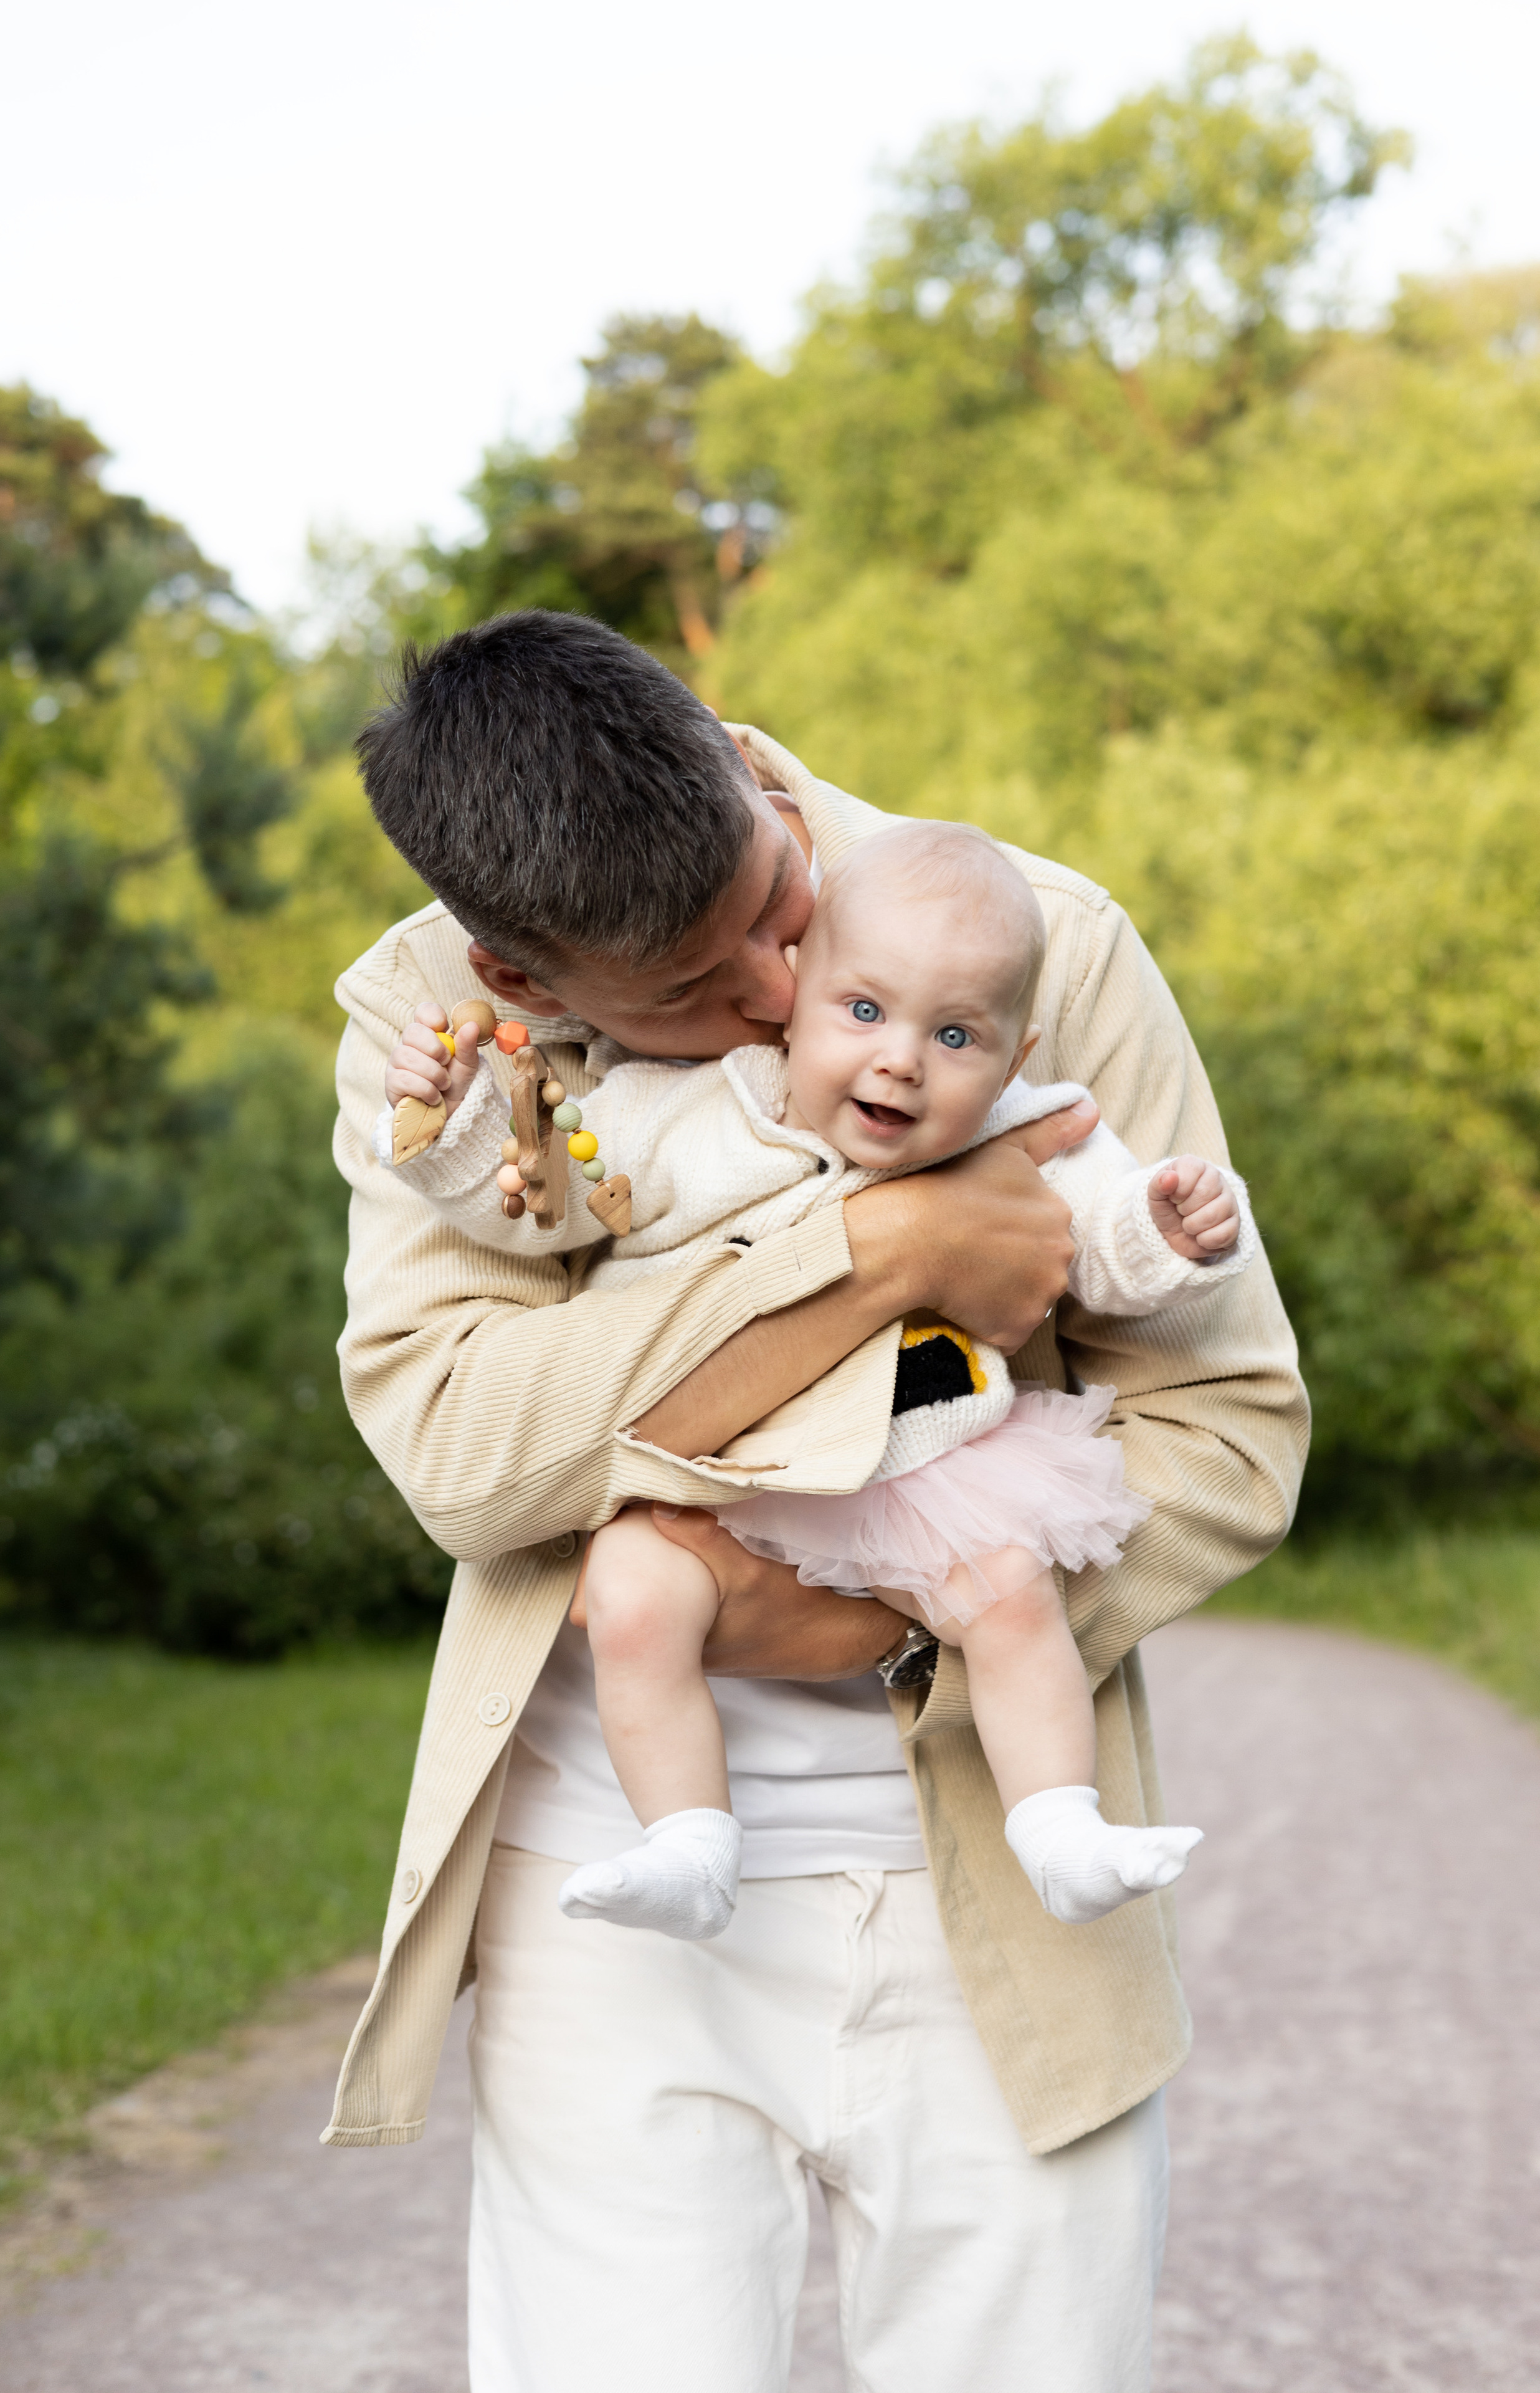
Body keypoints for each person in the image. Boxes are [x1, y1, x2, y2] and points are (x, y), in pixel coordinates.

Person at [323, 611, 1308, 2393]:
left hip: (989, 1871)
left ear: (723, 743)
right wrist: (879, 1252)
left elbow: (1229, 1424)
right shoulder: (435, 1048)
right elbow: (465, 1455)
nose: (788, 1002)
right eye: (702, 999)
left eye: (783, 908)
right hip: (600, 1894)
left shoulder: (1034, 940)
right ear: (526, 984)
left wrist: (892, 1611)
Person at [380, 819, 1253, 1941]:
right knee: (639, 1606)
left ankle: (1060, 1827)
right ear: (795, 1000)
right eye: (862, 1012)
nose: (900, 1060)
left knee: (1011, 1595)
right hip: (715, 1466)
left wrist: (1168, 1232)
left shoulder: (1024, 1127)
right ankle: (687, 1841)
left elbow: (1092, 1240)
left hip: (917, 1454)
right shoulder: (696, 1108)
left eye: (954, 1035)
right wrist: (460, 1128)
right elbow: (549, 1211)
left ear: (1015, 1052)